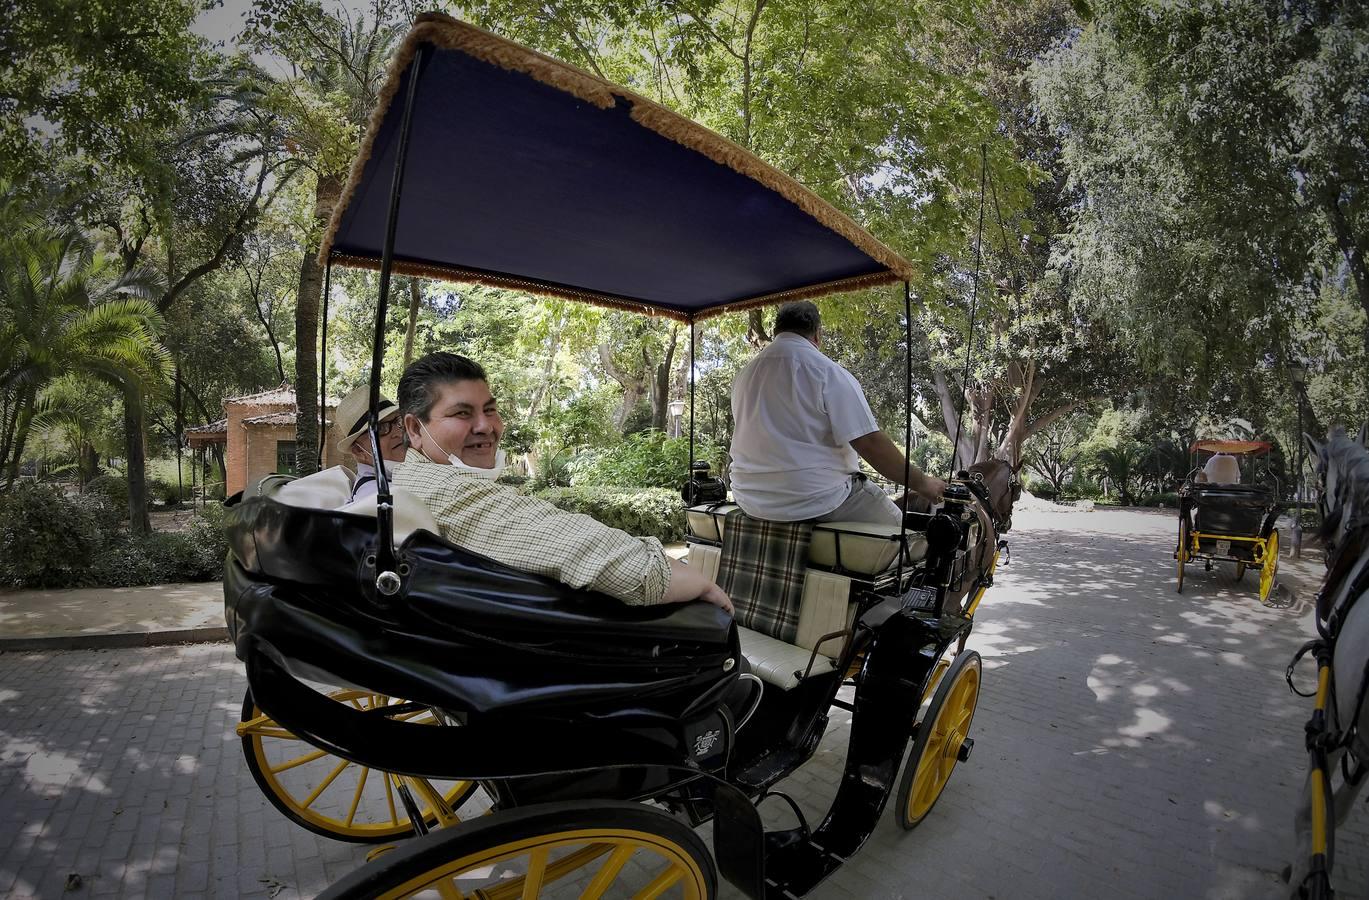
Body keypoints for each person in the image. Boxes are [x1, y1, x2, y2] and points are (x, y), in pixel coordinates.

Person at [392, 351, 733, 613]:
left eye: (490, 410)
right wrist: (690, 580)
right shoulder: (440, 491)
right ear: (413, 429)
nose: (485, 426)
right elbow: (617, 566)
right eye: (462, 413)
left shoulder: (420, 481)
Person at [729, 300, 945, 525]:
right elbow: (870, 443)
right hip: (817, 500)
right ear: (817, 334)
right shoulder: (827, 371)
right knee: (903, 538)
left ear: (776, 330)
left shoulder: (744, 375)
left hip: (750, 501)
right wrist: (924, 484)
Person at [334, 384, 408, 501]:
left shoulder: (395, 480)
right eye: (381, 428)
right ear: (358, 451)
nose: (399, 433)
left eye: (397, 421)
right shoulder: (378, 496)